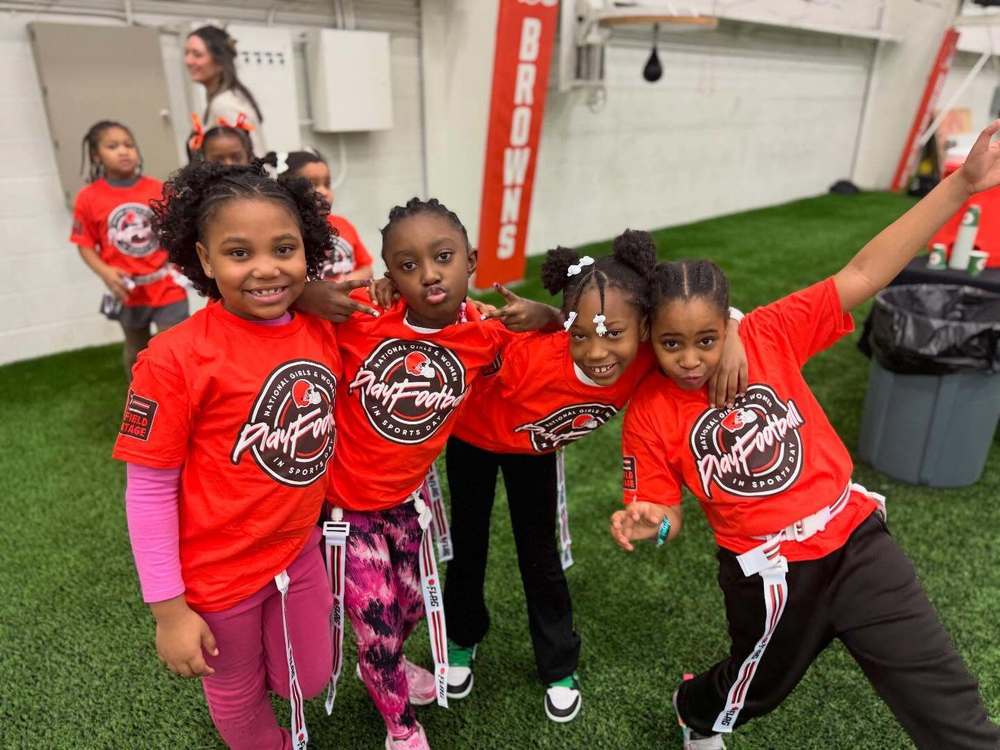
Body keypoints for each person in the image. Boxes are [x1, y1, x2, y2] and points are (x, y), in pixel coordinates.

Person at [610, 121, 1000, 750]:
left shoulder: (767, 334)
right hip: (769, 575)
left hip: (854, 538)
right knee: (754, 690)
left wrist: (961, 188)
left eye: (706, 340)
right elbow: (666, 513)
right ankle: (694, 707)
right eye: (671, 344)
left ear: (727, 325)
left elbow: (867, 272)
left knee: (943, 692)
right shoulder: (651, 411)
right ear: (651, 337)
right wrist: (648, 519)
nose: (689, 360)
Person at [442, 230, 747, 723]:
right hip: (471, 443)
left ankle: (559, 665)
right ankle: (461, 639)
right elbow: (455, 335)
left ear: (645, 327)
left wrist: (734, 333)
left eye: (612, 334)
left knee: (539, 555)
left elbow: (707, 311)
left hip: (534, 454)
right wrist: (545, 321)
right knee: (467, 544)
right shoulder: (529, 355)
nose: (597, 351)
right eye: (580, 335)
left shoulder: (653, 354)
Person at [294, 197, 558, 750]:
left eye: (442, 257)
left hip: (409, 504)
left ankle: (383, 668)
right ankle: (400, 729)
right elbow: (264, 310)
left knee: (411, 608)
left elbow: (571, 347)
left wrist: (551, 316)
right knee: (381, 630)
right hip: (346, 512)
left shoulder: (486, 335)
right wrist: (304, 295)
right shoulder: (364, 317)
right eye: (408, 266)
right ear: (390, 275)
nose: (428, 274)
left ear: (472, 262)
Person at [112, 162, 341, 749]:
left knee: (309, 679)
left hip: (299, 550)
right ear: (205, 260)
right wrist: (168, 611)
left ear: (308, 250)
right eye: (240, 253)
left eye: (284, 248)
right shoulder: (173, 358)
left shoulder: (318, 328)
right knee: (238, 694)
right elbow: (148, 489)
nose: (266, 268)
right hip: (219, 579)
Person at [71, 120, 188, 378]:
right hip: (128, 291)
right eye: (113, 146)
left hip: (167, 285)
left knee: (175, 348)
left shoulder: (158, 189)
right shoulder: (88, 198)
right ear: (95, 155)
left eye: (129, 145)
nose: (124, 151)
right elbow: (85, 245)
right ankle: (139, 400)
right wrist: (104, 271)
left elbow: (178, 232)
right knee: (137, 349)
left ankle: (182, 400)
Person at [264, 149, 374, 282]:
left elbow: (367, 268)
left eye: (327, 184)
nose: (324, 192)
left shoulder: (344, 225)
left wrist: (344, 281)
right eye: (312, 185)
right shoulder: (284, 234)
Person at [185, 25, 265, 155]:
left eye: (197, 55)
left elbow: (249, 160)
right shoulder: (225, 99)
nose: (188, 61)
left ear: (219, 61)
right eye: (186, 53)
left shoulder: (224, 105)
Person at [187, 115, 255, 166]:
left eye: (236, 158)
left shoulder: (260, 184)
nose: (228, 164)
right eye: (217, 161)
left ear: (248, 157)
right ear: (204, 160)